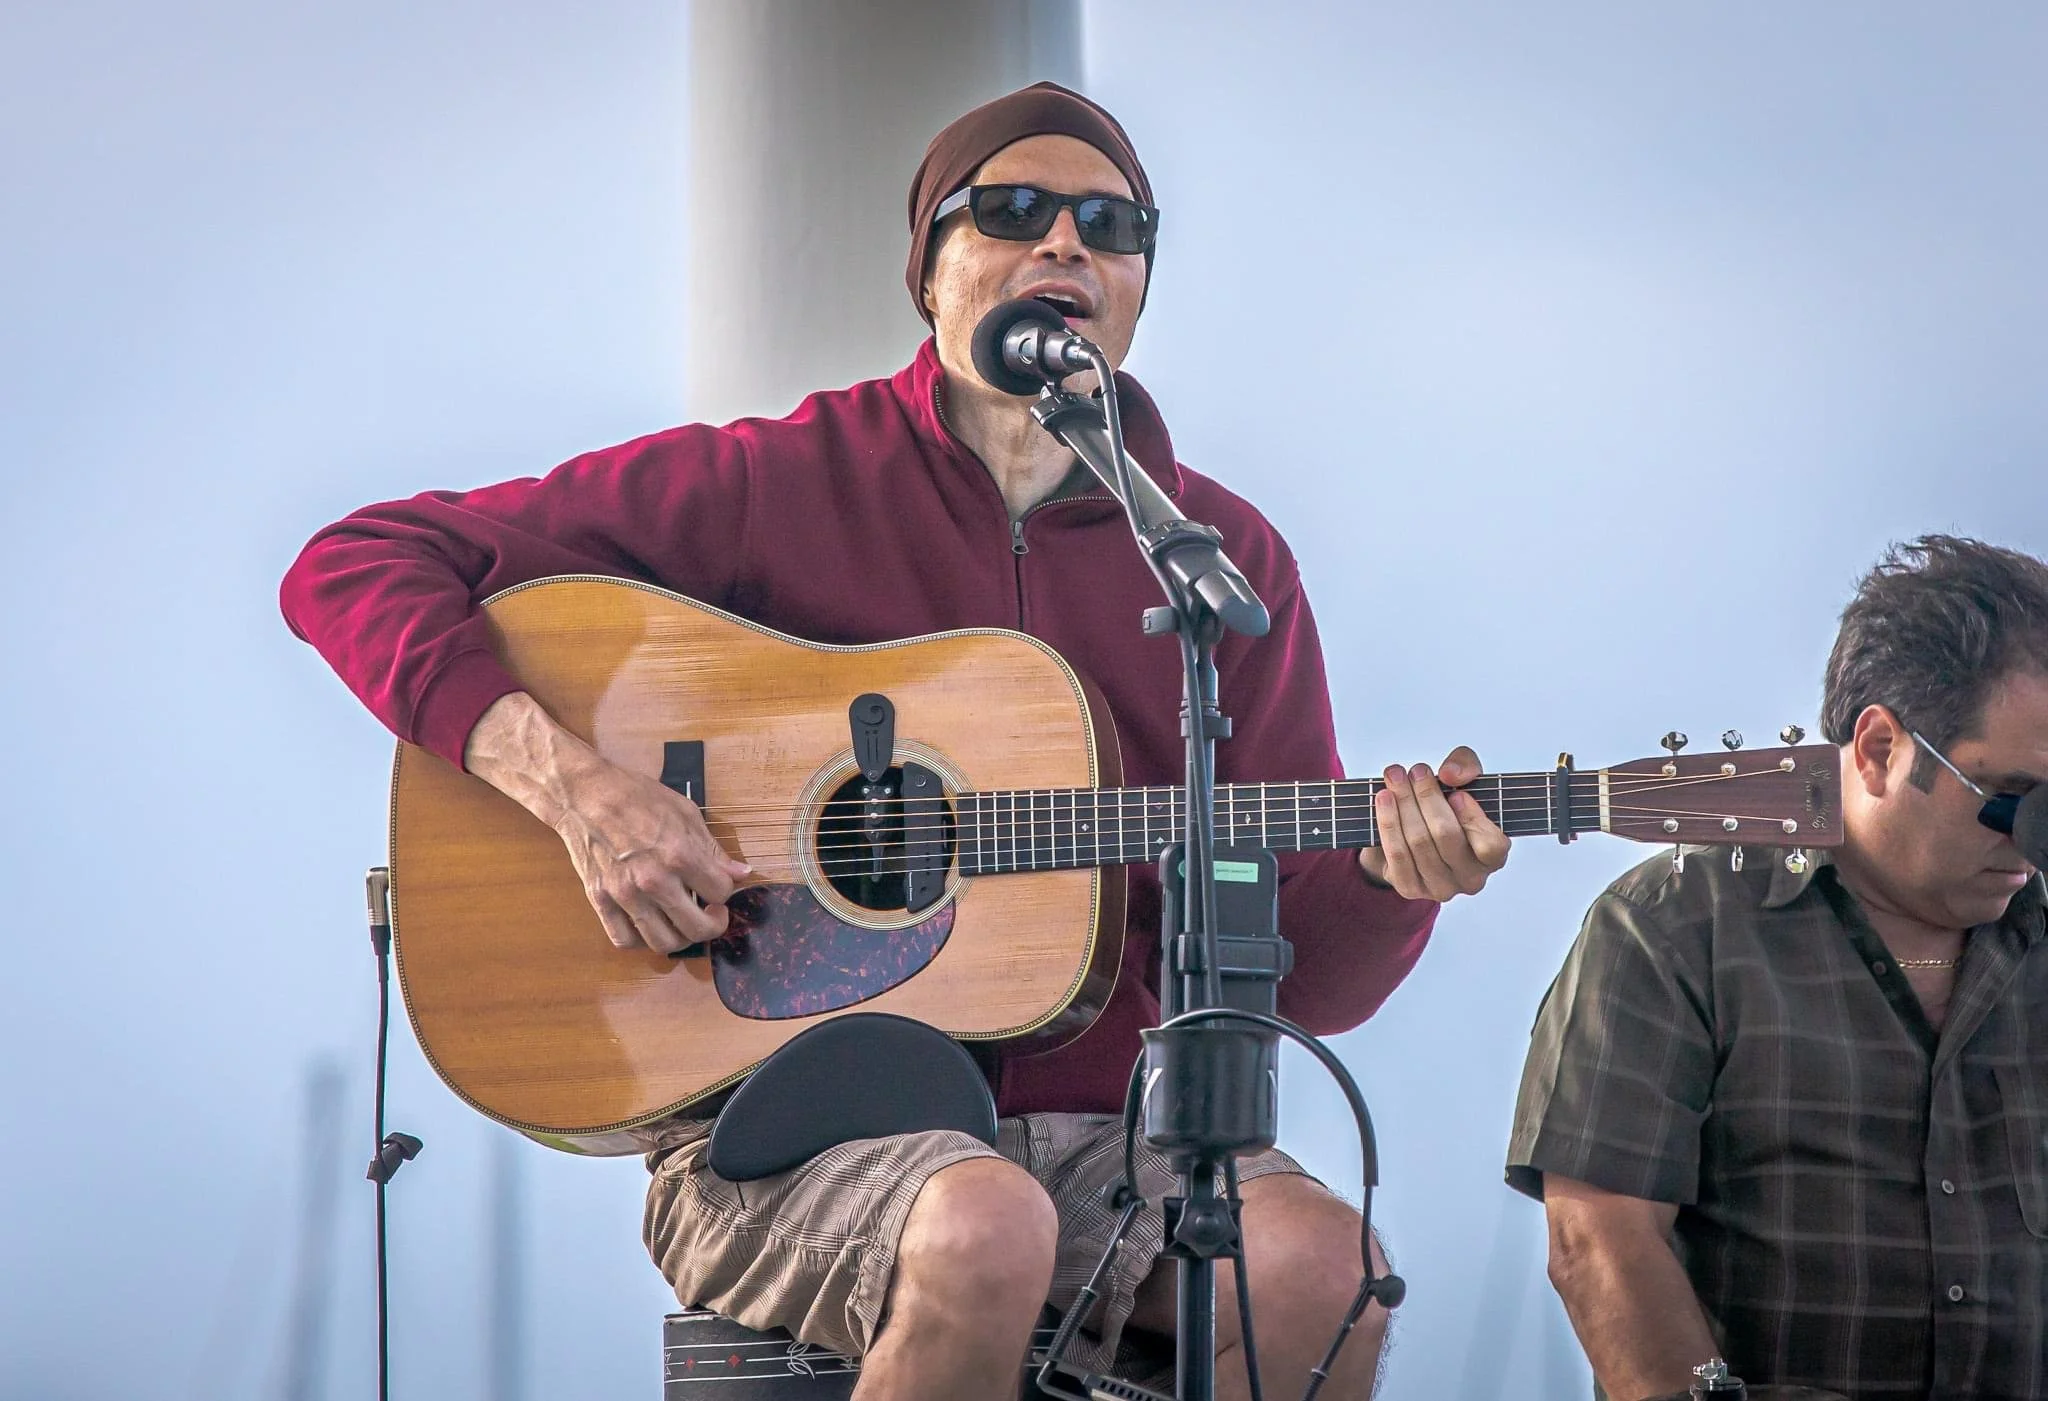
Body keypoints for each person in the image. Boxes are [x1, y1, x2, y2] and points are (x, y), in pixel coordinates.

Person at [283, 82, 1510, 1398]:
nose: (1065, 246)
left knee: (1326, 1272)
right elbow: (356, 560)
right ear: (930, 272)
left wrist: (1396, 881)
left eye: (1111, 224)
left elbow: (1303, 982)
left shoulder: (1221, 561)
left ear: (1141, 285)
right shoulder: (772, 482)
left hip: (1112, 1134)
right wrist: (577, 787)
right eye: (1015, 211)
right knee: (983, 1226)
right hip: (789, 1122)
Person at [1506, 535, 2048, 1401]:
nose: (2036, 841)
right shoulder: (1674, 927)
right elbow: (1599, 1240)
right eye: (2013, 798)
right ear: (1878, 749)